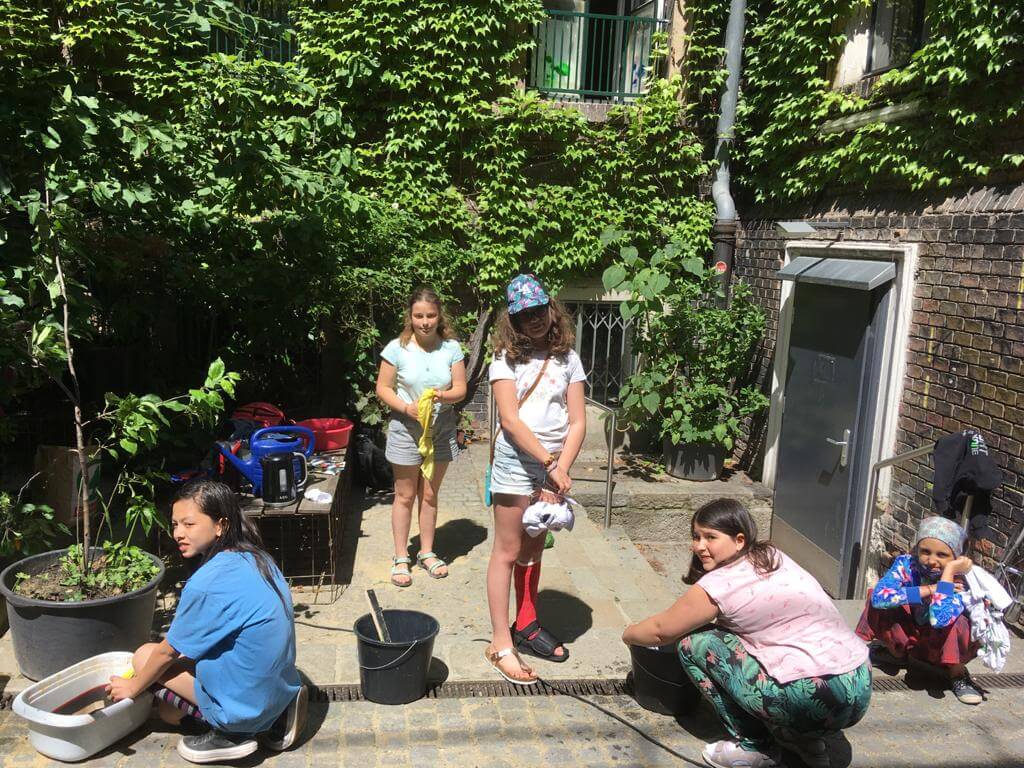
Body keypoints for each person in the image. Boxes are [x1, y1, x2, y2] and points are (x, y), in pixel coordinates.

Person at [623, 499, 871, 768]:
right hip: (860, 683)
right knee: (760, 647)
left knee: (694, 644)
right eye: (696, 536)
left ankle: (755, 746)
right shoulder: (773, 556)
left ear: (739, 540)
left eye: (710, 537)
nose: (699, 546)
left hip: (809, 697)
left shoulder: (720, 584)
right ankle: (806, 740)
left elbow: (662, 632)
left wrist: (629, 634)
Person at [106, 479, 306, 764]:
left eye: (189, 524)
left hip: (244, 704)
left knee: (143, 657)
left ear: (220, 525)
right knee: (169, 712)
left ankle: (233, 734)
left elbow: (166, 653)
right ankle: (277, 713)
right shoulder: (257, 557)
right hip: (277, 686)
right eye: (175, 525)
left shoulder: (206, 583)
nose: (178, 533)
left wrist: (133, 687)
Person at [484, 273, 586, 685]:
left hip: (553, 465)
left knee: (534, 545)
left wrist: (562, 466)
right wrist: (549, 463)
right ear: (513, 319)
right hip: (517, 464)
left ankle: (526, 623)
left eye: (539, 310)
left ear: (551, 309)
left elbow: (577, 421)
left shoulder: (568, 358)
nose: (535, 319)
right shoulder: (504, 359)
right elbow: (510, 420)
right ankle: (500, 643)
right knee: (507, 550)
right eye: (525, 314)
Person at [375, 286, 467, 587]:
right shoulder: (396, 348)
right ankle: (401, 557)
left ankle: (427, 552)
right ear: (410, 317)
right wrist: (406, 407)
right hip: (406, 428)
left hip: (440, 429)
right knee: (404, 495)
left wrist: (441, 395)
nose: (425, 322)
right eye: (419, 316)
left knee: (429, 494)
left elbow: (460, 389)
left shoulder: (451, 348)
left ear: (439, 316)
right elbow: (383, 388)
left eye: (430, 315)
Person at [856, 515, 981, 704]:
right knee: (880, 600)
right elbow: (879, 597)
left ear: (956, 557)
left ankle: (957, 674)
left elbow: (940, 619)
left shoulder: (960, 581)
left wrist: (947, 575)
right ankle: (897, 652)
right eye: (925, 551)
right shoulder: (907, 564)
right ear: (917, 549)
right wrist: (929, 590)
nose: (931, 560)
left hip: (938, 638)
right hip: (914, 630)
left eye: (942, 555)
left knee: (959, 623)